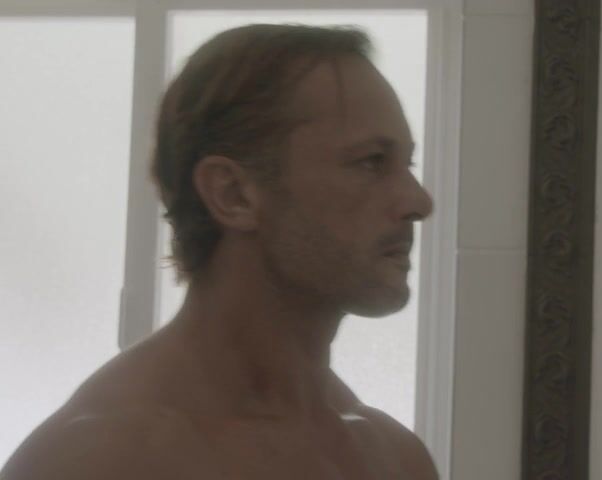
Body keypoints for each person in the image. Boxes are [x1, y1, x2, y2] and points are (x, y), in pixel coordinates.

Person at [1, 23, 436, 479]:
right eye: (371, 162)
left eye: (407, 164)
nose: (419, 202)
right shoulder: (99, 461)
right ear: (233, 194)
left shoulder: (393, 458)